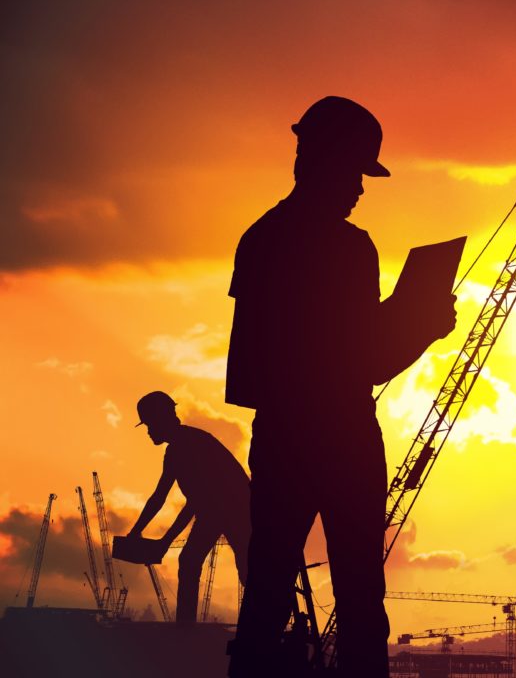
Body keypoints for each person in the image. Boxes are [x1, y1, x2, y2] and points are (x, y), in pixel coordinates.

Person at [225, 96, 457, 677]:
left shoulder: (260, 238)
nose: (359, 188)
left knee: (268, 590)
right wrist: (423, 328)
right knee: (358, 598)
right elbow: (364, 362)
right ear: (324, 162)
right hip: (343, 437)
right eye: (356, 172)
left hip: (280, 436)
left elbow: (266, 361)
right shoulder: (350, 248)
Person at [127, 390, 252, 626]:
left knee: (247, 569)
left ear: (161, 420)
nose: (148, 431)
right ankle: (185, 626)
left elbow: (195, 502)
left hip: (238, 511)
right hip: (215, 512)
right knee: (190, 561)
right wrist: (136, 531)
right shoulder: (176, 450)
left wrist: (164, 541)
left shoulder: (191, 445)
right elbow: (159, 496)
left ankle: (258, 627)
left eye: (150, 425)